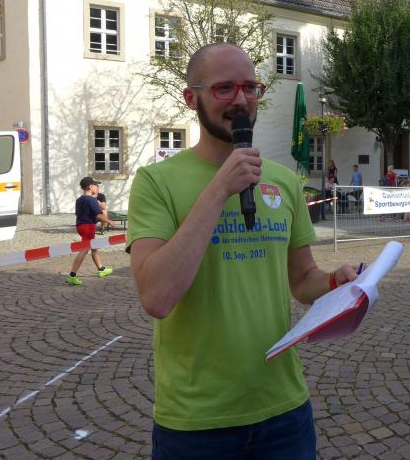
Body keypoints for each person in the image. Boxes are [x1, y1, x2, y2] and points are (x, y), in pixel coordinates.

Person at [127, 43, 359, 459]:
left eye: (250, 87)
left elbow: (302, 280)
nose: (241, 100)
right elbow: (157, 297)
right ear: (191, 98)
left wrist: (332, 282)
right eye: (224, 88)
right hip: (197, 421)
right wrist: (219, 189)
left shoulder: (284, 182)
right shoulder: (156, 182)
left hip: (284, 411)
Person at [65, 177, 116, 285]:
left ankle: (101, 269)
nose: (97, 187)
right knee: (84, 250)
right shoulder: (91, 199)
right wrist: (109, 221)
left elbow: (78, 214)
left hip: (80, 226)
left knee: (94, 247)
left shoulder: (79, 199)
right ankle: (72, 275)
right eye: (95, 185)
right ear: (90, 187)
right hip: (88, 227)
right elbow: (98, 215)